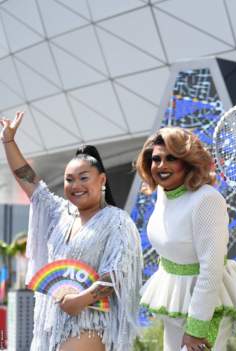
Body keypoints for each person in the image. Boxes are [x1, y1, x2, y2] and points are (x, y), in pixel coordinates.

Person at [0, 111, 143, 351]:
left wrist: (81, 300)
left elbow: (117, 274)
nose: (75, 185)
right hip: (52, 320)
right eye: (69, 179)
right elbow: (29, 180)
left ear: (102, 180)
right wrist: (9, 141)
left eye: (83, 178)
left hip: (91, 322)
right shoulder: (59, 212)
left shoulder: (117, 221)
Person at [137, 127, 236, 351]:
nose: (161, 166)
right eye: (156, 159)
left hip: (207, 306)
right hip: (176, 298)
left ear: (188, 162)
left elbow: (211, 268)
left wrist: (196, 329)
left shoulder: (206, 199)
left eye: (171, 158)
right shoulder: (164, 194)